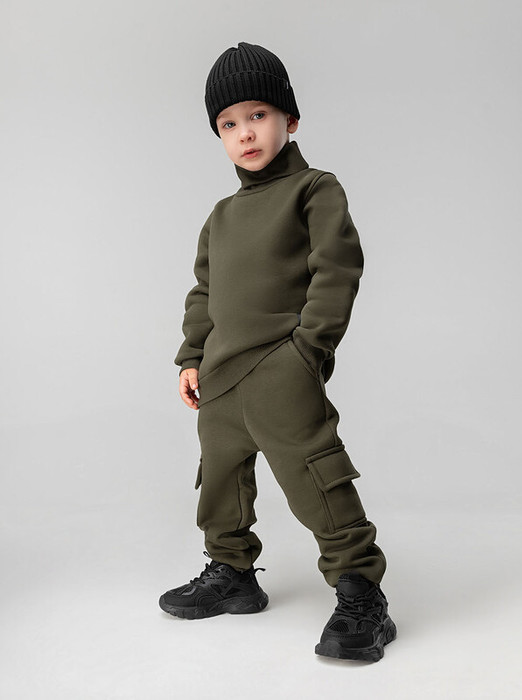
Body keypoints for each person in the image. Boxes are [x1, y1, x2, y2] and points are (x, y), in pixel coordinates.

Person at [158, 41, 397, 662]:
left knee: (316, 478)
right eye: (228, 123)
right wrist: (191, 357)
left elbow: (337, 269)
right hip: (220, 378)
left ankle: (361, 592)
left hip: (281, 371)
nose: (245, 132)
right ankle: (231, 572)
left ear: (290, 119)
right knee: (219, 482)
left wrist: (308, 350)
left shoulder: (314, 190)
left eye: (258, 115)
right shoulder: (221, 216)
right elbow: (204, 291)